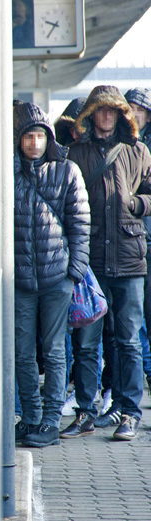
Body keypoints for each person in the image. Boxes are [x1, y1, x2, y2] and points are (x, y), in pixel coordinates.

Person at [61, 85, 151, 442]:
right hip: (90, 259)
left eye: (112, 111)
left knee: (129, 340)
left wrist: (137, 206)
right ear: (90, 115)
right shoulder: (74, 153)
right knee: (86, 341)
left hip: (130, 259)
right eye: (100, 111)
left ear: (120, 116)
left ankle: (129, 412)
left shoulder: (138, 151)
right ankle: (86, 410)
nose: (106, 117)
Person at [11, 102, 90, 448]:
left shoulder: (67, 171)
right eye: (28, 136)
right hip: (20, 280)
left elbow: (80, 225)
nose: (34, 143)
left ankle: (51, 420)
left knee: (55, 350)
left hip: (58, 277)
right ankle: (30, 418)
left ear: (48, 138)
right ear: (19, 139)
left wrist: (74, 274)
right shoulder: (6, 173)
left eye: (39, 136)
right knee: (23, 353)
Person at [126, 88, 151, 396]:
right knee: (136, 315)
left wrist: (136, 204)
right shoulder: (123, 146)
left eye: (140, 110)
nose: (134, 115)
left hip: (145, 234)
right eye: (129, 109)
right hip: (132, 240)